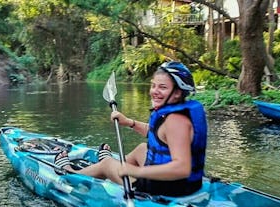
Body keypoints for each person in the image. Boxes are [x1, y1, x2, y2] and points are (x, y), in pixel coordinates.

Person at [54, 61, 207, 197]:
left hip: (168, 187)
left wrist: (136, 171)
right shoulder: (174, 112)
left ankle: (72, 173)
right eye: (153, 85)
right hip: (183, 184)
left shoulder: (176, 121)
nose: (154, 91)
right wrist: (129, 122)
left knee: (107, 164)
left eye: (163, 87)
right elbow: (159, 136)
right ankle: (111, 165)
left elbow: (182, 168)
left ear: (178, 92)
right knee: (142, 148)